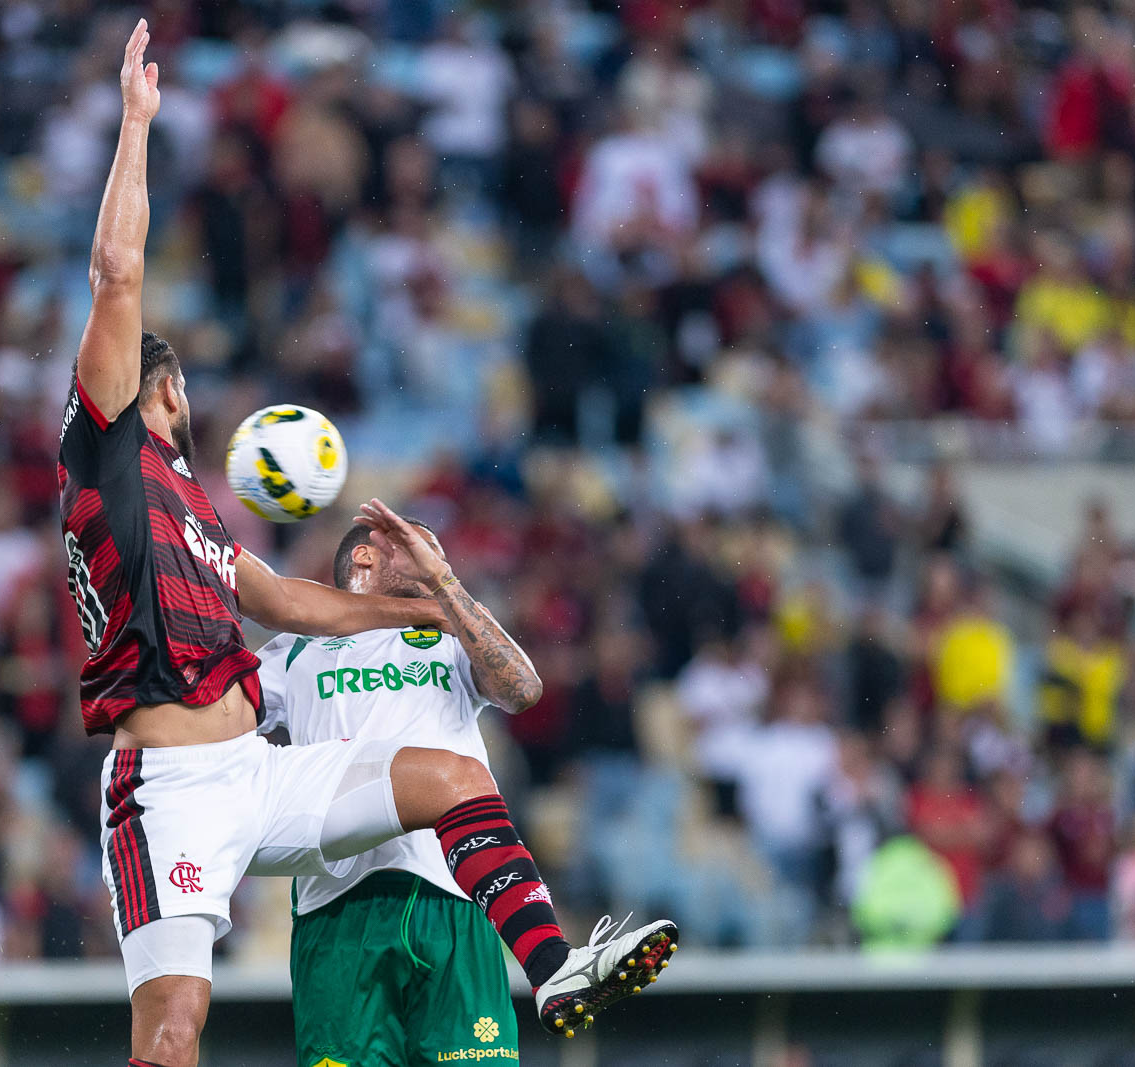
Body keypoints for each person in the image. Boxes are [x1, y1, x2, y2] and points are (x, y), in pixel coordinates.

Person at [59, 25, 676, 1067]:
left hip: (253, 772)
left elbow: (295, 605)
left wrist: (434, 603)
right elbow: (119, 276)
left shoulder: (198, 517)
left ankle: (555, 964)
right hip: (164, 786)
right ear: (162, 390)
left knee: (446, 773)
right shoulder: (112, 462)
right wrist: (137, 124)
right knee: (170, 1033)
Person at [258, 508, 674, 1065]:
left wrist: (445, 587)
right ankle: (554, 965)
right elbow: (218, 723)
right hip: (338, 904)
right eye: (419, 548)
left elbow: (522, 689)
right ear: (364, 554)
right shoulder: (292, 650)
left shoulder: (450, 633)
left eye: (442, 557)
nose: (438, 562)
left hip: (459, 893)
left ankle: (554, 967)